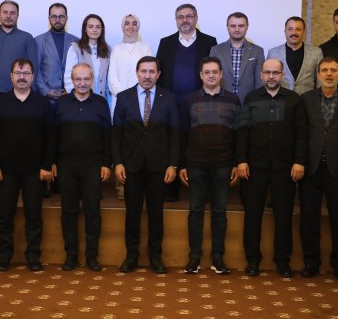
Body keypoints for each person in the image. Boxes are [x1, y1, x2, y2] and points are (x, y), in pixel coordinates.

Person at [236, 59, 307, 278]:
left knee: (284, 216)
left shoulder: (294, 99)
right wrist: (241, 160)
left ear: (282, 75)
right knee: (252, 215)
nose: (271, 76)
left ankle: (282, 261)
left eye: (275, 72)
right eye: (267, 72)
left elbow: (301, 133)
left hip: (284, 167)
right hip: (254, 166)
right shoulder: (251, 98)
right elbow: (243, 132)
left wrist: (299, 161)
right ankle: (252, 260)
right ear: (261, 75)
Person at [112, 56, 180, 274]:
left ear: (158, 74)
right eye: (143, 71)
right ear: (137, 73)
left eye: (152, 72)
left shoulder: (169, 98)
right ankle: (131, 256)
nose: (147, 76)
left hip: (158, 167)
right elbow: (116, 134)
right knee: (132, 214)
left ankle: (155, 257)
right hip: (131, 166)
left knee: (155, 214)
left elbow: (175, 134)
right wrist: (118, 162)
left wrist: (173, 165)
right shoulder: (123, 97)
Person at [0, 58, 53, 272]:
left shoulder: (42, 103)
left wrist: (46, 165)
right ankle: (4, 257)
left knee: (34, 216)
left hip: (35, 171)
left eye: (26, 74)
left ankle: (33, 257)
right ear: (11, 76)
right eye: (18, 73)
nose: (22, 77)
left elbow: (50, 138)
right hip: (5, 171)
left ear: (32, 77)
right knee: (5, 216)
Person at [179, 56, 241, 275]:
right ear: (201, 75)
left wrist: (236, 164)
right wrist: (182, 165)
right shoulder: (190, 100)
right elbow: (182, 134)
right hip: (195, 164)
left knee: (219, 212)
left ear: (221, 74)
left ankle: (218, 258)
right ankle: (194, 257)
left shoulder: (233, 99)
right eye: (207, 72)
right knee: (195, 211)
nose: (211, 76)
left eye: (215, 72)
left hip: (223, 164)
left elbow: (238, 135)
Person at [300, 57, 338, 280]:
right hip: (311, 168)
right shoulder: (306, 100)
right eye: (324, 70)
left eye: (333, 70)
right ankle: (311, 262)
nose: (329, 74)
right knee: (309, 218)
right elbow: (301, 134)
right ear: (317, 75)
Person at [53, 63, 112, 271]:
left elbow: (107, 136)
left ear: (92, 80)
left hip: (92, 165)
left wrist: (106, 163)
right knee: (68, 211)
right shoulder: (61, 103)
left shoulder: (101, 103)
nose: (82, 83)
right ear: (72, 80)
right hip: (66, 165)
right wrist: (52, 162)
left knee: (92, 212)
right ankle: (71, 255)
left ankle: (92, 257)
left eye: (86, 79)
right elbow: (53, 135)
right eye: (78, 79)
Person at [156, 3, 217, 200]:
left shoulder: (209, 42)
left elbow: (213, 72)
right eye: (180, 17)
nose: (185, 20)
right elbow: (159, 74)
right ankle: (170, 190)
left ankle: (200, 192)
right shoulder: (166, 42)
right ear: (176, 20)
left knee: (199, 143)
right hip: (172, 103)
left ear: (196, 18)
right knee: (173, 142)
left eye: (189, 16)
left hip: (200, 103)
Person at [0, 0, 38, 93]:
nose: (8, 16)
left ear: (17, 15)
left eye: (12, 13)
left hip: (17, 93)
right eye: (5, 12)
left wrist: (30, 93)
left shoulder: (27, 38)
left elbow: (33, 67)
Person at [209, 12, 265, 104]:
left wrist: (256, 103)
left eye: (241, 26)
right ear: (227, 27)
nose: (237, 29)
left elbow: (259, 81)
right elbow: (211, 79)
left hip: (248, 103)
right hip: (222, 103)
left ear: (247, 27)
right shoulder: (216, 50)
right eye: (233, 26)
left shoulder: (258, 51)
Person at [267, 16, 323, 95]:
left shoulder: (316, 52)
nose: (294, 33)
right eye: (290, 29)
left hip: (307, 100)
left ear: (304, 32)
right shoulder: (273, 53)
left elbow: (320, 81)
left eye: (298, 29)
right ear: (285, 31)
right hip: (282, 99)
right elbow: (268, 80)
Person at [35, 3, 79, 103]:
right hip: (46, 99)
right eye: (54, 16)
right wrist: (46, 91)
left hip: (71, 98)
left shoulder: (76, 41)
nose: (57, 20)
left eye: (61, 17)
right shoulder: (38, 41)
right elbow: (35, 69)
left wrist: (71, 90)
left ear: (67, 18)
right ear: (49, 18)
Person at [108, 14, 152, 114]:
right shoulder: (116, 48)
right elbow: (112, 77)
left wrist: (136, 95)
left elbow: (149, 74)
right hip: (119, 99)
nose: (130, 27)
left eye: (134, 24)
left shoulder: (145, 48)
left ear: (138, 27)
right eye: (127, 23)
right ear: (123, 26)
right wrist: (123, 96)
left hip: (140, 99)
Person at [63, 14, 112, 99]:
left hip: (103, 99)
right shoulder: (75, 48)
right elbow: (68, 78)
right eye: (91, 27)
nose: (94, 30)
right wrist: (75, 99)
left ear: (102, 30)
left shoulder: (108, 50)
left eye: (98, 27)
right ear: (85, 29)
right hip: (81, 99)